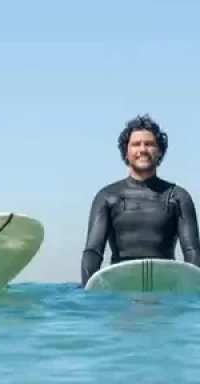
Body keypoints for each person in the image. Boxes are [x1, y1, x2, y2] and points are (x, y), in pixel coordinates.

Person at [81, 113, 200, 286]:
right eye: (136, 144)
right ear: (126, 152)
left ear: (159, 151)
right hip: (120, 289)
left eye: (149, 144)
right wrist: (87, 292)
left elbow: (192, 252)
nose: (143, 149)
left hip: (165, 289)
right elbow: (93, 252)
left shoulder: (178, 196)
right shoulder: (107, 196)